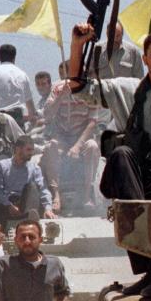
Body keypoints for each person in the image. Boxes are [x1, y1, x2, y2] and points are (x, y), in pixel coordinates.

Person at [68, 23, 151, 298]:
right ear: (145, 59)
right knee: (120, 154)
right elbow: (79, 87)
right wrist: (77, 46)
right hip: (131, 178)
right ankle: (149, 267)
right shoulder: (126, 89)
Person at [40, 62, 101, 211]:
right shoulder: (58, 88)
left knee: (92, 147)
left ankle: (87, 195)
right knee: (50, 147)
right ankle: (56, 194)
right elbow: (47, 116)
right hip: (61, 136)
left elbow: (92, 121)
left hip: (82, 136)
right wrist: (60, 97)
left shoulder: (90, 89)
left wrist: (77, 145)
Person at [0, 135, 57, 227]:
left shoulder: (35, 168)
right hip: (6, 203)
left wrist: (48, 208)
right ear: (18, 149)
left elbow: (43, 190)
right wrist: (9, 205)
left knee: (32, 187)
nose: (31, 153)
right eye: (28, 150)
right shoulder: (1, 166)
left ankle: (30, 220)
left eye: (32, 150)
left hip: (27, 203)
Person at [0, 44, 36, 127]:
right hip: (17, 119)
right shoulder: (22, 75)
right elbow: (30, 105)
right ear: (14, 58)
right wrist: (33, 121)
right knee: (19, 139)